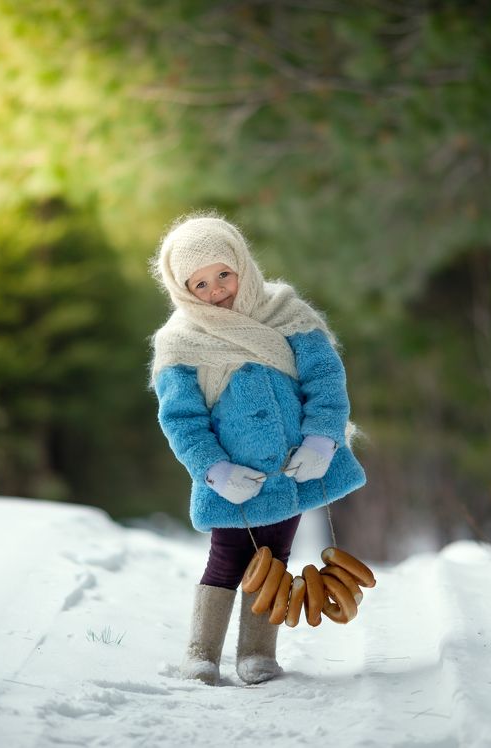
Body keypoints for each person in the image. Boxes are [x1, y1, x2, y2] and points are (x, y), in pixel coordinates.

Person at [149, 215, 366, 686]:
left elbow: (325, 380)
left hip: (290, 469)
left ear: (243, 266)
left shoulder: (288, 314)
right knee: (226, 558)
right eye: (200, 283)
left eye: (223, 274)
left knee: (274, 556)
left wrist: (321, 439)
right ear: (183, 290)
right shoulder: (179, 344)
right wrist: (212, 469)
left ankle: (256, 653)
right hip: (231, 477)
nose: (216, 290)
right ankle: (201, 651)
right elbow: (181, 418)